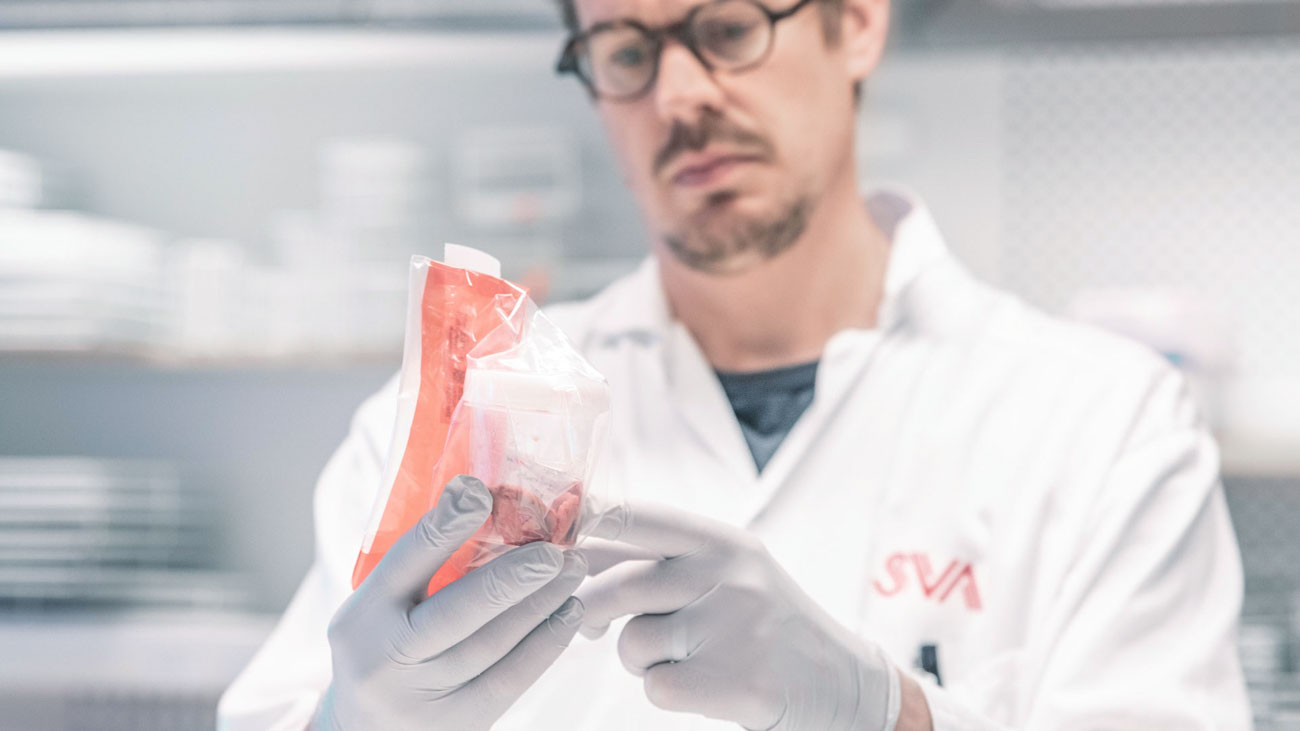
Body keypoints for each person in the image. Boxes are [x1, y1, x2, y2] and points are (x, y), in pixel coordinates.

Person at [218, 0, 1252, 728]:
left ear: (857, 22)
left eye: (726, 29)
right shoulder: (451, 423)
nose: (678, 96)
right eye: (627, 51)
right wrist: (350, 722)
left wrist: (886, 711)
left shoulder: (1105, 423)